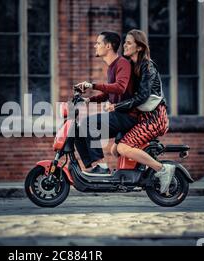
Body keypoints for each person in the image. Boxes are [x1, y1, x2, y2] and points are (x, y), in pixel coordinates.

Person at [107, 29, 175, 194]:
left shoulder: (147, 67)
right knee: (114, 150)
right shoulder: (131, 66)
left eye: (129, 43)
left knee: (123, 148)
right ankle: (137, 175)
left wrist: (117, 107)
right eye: (125, 42)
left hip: (153, 118)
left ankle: (162, 169)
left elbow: (143, 96)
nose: (125, 45)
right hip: (140, 118)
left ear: (139, 47)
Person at [74, 31, 137, 176]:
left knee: (89, 123)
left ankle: (101, 166)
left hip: (128, 115)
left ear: (108, 46)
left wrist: (92, 85)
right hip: (119, 115)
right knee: (76, 130)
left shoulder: (122, 63)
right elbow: (110, 93)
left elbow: (120, 87)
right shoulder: (112, 67)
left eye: (98, 43)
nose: (95, 46)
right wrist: (88, 100)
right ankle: (93, 167)